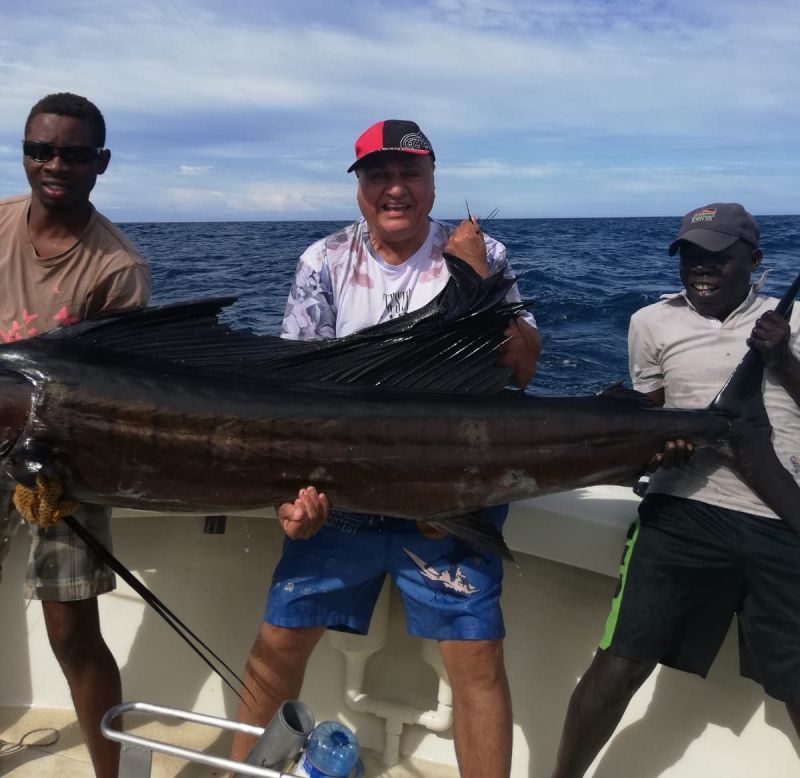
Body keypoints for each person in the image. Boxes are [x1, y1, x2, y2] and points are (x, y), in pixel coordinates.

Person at [232, 119, 541, 778]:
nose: (395, 188)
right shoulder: (324, 261)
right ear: (359, 186)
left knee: (476, 662)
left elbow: (522, 372)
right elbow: (295, 401)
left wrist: (479, 286)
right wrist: (294, 499)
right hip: (339, 501)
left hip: (445, 501)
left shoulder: (484, 253)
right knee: (277, 647)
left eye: (410, 174)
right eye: (379, 174)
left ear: (433, 181)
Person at [552, 202, 800, 777]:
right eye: (690, 255)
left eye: (717, 256)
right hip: (683, 512)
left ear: (754, 261)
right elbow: (652, 416)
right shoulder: (650, 323)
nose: (701, 268)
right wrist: (656, 446)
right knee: (619, 666)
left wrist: (782, 361)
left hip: (783, 519)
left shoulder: (790, 322)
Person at [0, 92, 151, 778]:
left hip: (61, 462)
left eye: (72, 153)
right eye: (40, 149)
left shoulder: (117, 268)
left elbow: (110, 404)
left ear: (102, 163)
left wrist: (47, 462)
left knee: (71, 630)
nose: (53, 164)